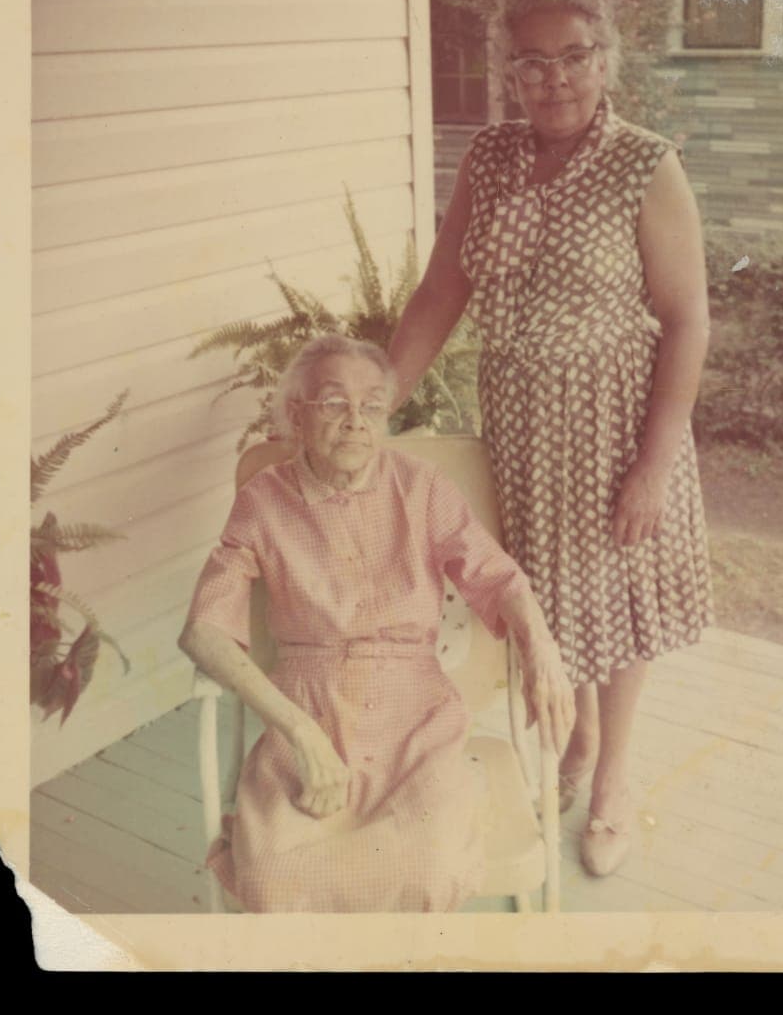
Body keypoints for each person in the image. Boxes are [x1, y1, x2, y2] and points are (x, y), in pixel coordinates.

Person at [388, 0, 714, 878]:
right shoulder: (489, 158)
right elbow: (441, 291)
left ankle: (611, 779)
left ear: (606, 59)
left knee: (618, 602)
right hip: (524, 424)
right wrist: (374, 398)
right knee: (551, 597)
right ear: (507, 71)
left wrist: (654, 466)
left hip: (617, 424)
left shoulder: (646, 163)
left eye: (573, 56)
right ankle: (575, 744)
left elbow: (688, 321)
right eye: (531, 61)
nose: (554, 78)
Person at [179, 334, 575, 912]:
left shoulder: (421, 488)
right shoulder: (265, 500)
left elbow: (498, 577)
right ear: (297, 414)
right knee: (271, 877)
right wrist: (302, 733)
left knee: (428, 865)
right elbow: (203, 631)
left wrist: (540, 647)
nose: (356, 421)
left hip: (414, 716)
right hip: (306, 710)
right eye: (335, 402)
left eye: (371, 406)